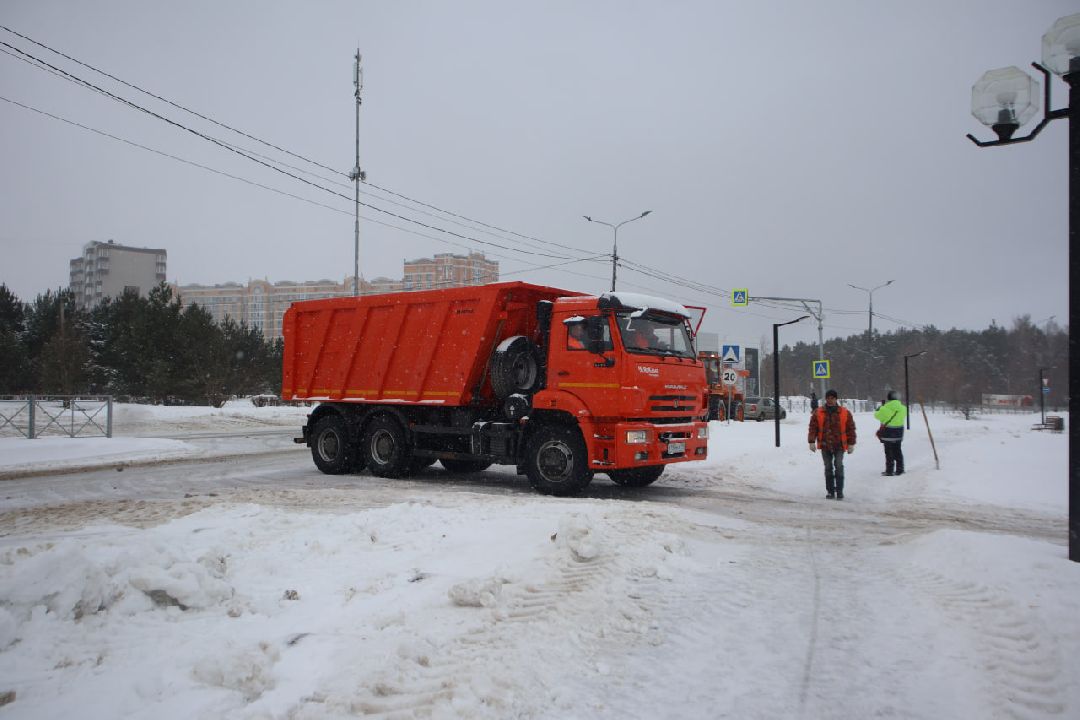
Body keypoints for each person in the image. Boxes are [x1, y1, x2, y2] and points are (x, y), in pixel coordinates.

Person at [808, 389, 856, 499]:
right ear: (826, 399)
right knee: (828, 467)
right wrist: (811, 441)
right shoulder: (818, 412)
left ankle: (839, 490)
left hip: (839, 445)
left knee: (839, 466)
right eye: (828, 398)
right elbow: (813, 427)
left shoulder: (844, 412)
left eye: (832, 398)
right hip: (825, 445)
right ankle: (830, 491)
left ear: (836, 399)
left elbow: (850, 429)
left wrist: (851, 443)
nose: (830, 400)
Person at [874, 390, 908, 476]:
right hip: (899, 433)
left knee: (889, 452)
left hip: (888, 433)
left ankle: (889, 470)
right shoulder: (903, 408)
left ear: (888, 398)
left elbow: (876, 416)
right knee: (898, 451)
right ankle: (900, 469)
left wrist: (879, 409)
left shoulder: (884, 408)